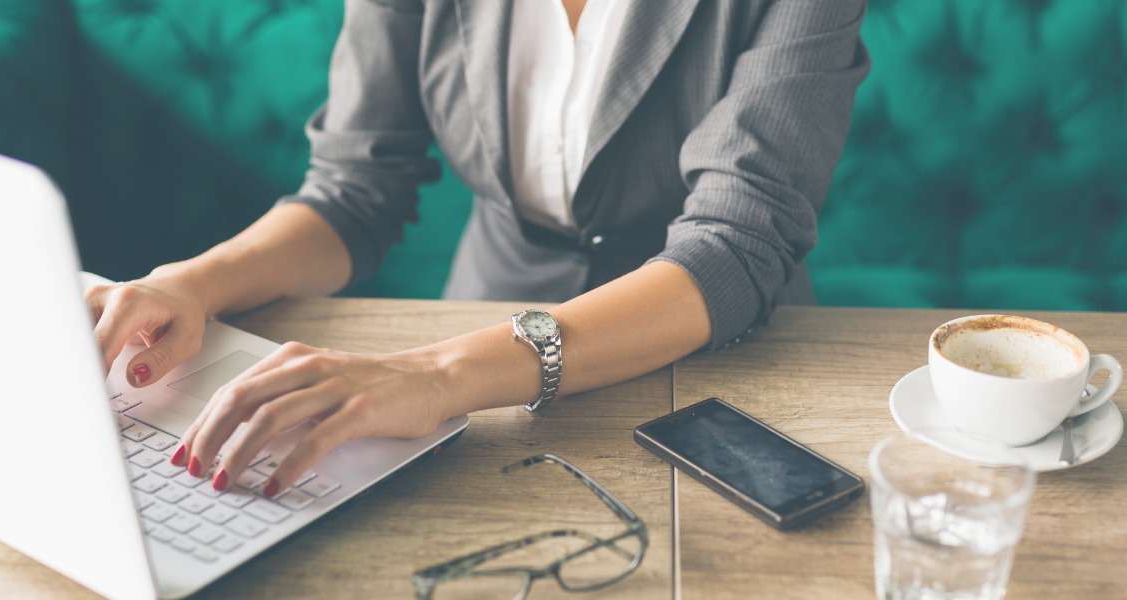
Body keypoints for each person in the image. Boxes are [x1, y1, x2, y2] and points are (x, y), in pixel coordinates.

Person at [86, 0, 869, 497]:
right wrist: (191, 283)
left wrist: (437, 372)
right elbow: (355, 189)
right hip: (492, 328)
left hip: (711, 356)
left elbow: (738, 241)